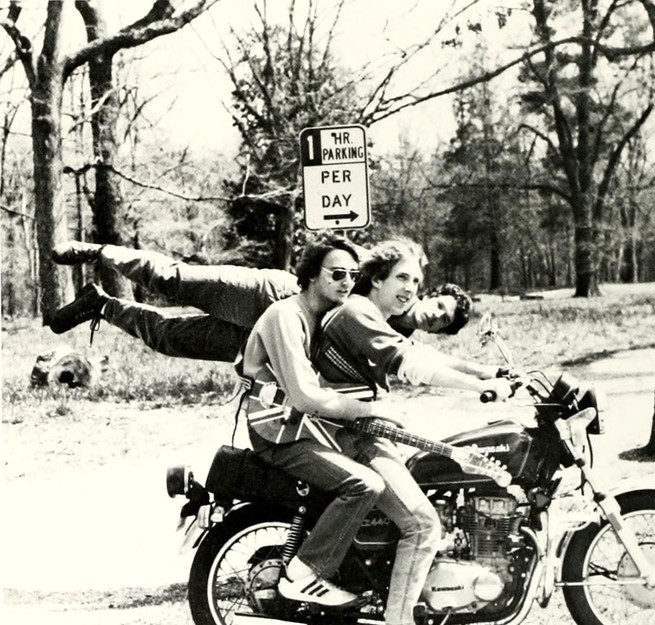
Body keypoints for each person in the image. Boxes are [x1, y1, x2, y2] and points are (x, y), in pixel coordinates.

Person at [240, 236, 512, 623]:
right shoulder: (355, 312)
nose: (410, 289)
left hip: (353, 429)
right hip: (345, 433)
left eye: (416, 282)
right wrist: (478, 387)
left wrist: (485, 371)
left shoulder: (369, 314)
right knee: (422, 524)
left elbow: (420, 353)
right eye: (402, 278)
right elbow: (409, 365)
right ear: (378, 279)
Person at [47, 241, 471, 360]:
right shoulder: (390, 275)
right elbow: (337, 255)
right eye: (438, 308)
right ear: (432, 294)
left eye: (440, 323)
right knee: (174, 279)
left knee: (168, 338)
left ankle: (99, 305)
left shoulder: (394, 342)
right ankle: (99, 252)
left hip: (271, 341)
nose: (431, 316)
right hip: (270, 295)